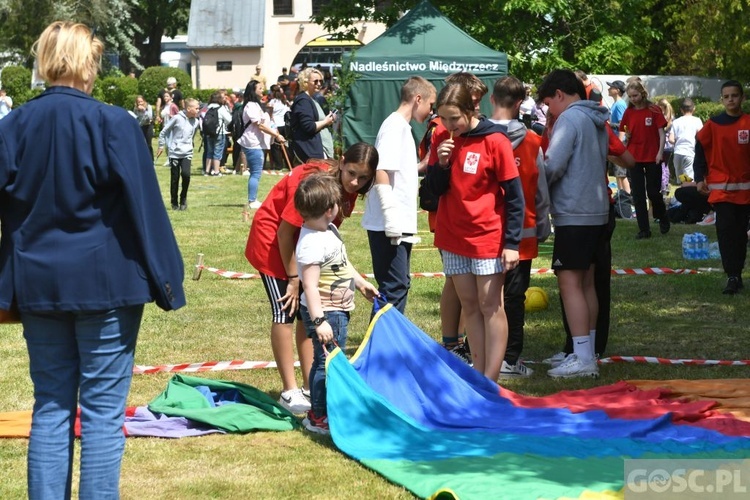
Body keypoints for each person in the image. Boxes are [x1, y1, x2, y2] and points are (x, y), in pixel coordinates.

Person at [0, 21, 185, 499]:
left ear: (44, 60)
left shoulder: (12, 126)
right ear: (89, 62)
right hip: (108, 286)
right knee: (102, 416)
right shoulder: (114, 122)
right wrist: (169, 280)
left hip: (39, 287)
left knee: (51, 408)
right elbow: (146, 209)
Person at [244, 143, 377, 414]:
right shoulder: (312, 183)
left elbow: (325, 235)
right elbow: (284, 233)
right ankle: (289, 391)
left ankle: (309, 384)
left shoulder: (346, 190)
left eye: (363, 178)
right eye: (352, 173)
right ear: (341, 162)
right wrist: (294, 277)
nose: (355, 182)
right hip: (273, 246)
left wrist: (357, 280)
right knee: (286, 311)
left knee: (307, 313)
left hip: (304, 250)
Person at [426, 82, 524, 381]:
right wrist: (440, 165)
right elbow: (430, 195)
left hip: (487, 238)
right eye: (443, 118)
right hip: (452, 236)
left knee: (490, 305)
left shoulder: (495, 140)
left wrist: (511, 243)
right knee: (469, 305)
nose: (448, 125)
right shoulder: (441, 137)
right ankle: (479, 374)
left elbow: (515, 195)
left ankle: (491, 379)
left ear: (471, 110)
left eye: (454, 118)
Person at [537, 69, 610, 378]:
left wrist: (536, 171)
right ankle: (586, 351)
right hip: (597, 212)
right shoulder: (597, 119)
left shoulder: (568, 119)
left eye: (547, 104)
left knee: (570, 284)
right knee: (587, 283)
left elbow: (553, 165)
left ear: (559, 95)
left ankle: (582, 357)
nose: (548, 111)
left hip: (574, 214)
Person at [294, 173, 380, 434]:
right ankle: (319, 415)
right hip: (327, 313)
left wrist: (361, 282)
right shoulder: (310, 243)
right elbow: (309, 286)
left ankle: (324, 410)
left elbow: (342, 263)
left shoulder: (328, 231)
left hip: (338, 311)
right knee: (326, 363)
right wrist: (319, 321)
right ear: (330, 210)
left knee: (329, 360)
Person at [419, 72, 487, 364]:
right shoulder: (442, 129)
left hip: (468, 218)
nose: (476, 108)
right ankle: (452, 342)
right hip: (448, 215)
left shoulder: (477, 128)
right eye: (472, 102)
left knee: (465, 287)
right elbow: (435, 176)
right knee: (455, 281)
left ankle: (462, 341)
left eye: (478, 103)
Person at [488, 76, 551, 378]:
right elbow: (541, 193)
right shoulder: (533, 143)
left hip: (483, 235)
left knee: (482, 298)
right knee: (514, 299)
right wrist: (544, 225)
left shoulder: (478, 138)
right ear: (519, 104)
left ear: (492, 100)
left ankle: (482, 352)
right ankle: (510, 358)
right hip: (521, 237)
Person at [362, 76, 436, 316]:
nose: (431, 111)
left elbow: (397, 169)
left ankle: (386, 345)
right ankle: (383, 347)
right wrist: (391, 216)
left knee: (399, 284)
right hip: (389, 224)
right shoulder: (395, 126)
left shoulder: (402, 127)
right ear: (418, 99)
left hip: (395, 223)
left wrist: (421, 165)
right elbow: (381, 169)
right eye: (430, 104)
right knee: (394, 287)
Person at [694, 80, 750, 294]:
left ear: (742, 98)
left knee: (739, 233)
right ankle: (732, 275)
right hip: (721, 192)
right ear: (721, 99)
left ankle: (737, 272)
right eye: (726, 96)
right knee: (726, 232)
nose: (730, 100)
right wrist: (699, 177)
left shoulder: (748, 123)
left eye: (734, 95)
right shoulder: (713, 124)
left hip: (745, 192)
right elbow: (700, 150)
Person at [619, 80, 670, 239]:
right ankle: (644, 229)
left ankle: (662, 216)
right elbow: (624, 131)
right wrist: (626, 137)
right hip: (634, 157)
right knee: (638, 194)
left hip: (652, 156)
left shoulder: (654, 110)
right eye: (630, 96)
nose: (633, 99)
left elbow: (662, 134)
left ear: (642, 93)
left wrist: (659, 153)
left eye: (635, 95)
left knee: (653, 192)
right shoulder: (628, 112)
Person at [238, 80, 286, 209]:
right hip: (252, 142)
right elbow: (259, 125)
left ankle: (253, 199)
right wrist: (276, 135)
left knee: (256, 172)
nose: (262, 89)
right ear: (253, 90)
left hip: (258, 142)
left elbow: (266, 123)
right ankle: (252, 200)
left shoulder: (257, 105)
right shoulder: (251, 106)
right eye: (259, 88)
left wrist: (275, 132)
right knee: (256, 172)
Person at [157, 98, 201, 210]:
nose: (198, 110)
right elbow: (163, 132)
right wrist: (161, 145)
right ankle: (174, 202)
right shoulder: (177, 118)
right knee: (175, 178)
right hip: (175, 153)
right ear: (188, 108)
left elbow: (192, 135)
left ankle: (183, 198)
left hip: (187, 153)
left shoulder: (196, 121)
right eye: (196, 108)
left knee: (186, 175)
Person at [290, 67, 335, 164]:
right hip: (310, 151)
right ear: (306, 82)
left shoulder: (312, 99)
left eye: (320, 81)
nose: (319, 84)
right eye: (315, 81)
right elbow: (309, 126)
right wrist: (325, 122)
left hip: (316, 150)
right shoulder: (303, 101)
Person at [669, 97, 703, 183]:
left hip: (678, 153)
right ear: (694, 109)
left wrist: (678, 142)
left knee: (682, 180)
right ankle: (688, 194)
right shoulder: (697, 121)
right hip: (689, 152)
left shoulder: (676, 122)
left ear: (681, 110)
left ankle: (683, 193)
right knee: (689, 180)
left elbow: (671, 139)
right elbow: (701, 137)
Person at [607, 80, 630, 194]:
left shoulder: (620, 104)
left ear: (617, 90)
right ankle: (621, 195)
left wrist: (620, 142)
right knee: (617, 173)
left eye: (611, 87)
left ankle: (627, 195)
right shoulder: (616, 104)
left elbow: (623, 124)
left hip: (619, 141)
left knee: (621, 173)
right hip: (615, 140)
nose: (609, 89)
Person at [203, 90, 233, 177]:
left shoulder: (208, 108)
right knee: (217, 152)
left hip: (209, 133)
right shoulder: (221, 108)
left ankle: (207, 171)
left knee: (209, 152)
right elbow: (229, 119)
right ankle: (216, 171)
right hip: (219, 132)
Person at [658, 98, 675, 194]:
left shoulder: (663, 118)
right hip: (669, 146)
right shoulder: (671, 117)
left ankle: (663, 186)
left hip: (663, 145)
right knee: (666, 165)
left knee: (661, 166)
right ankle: (666, 184)